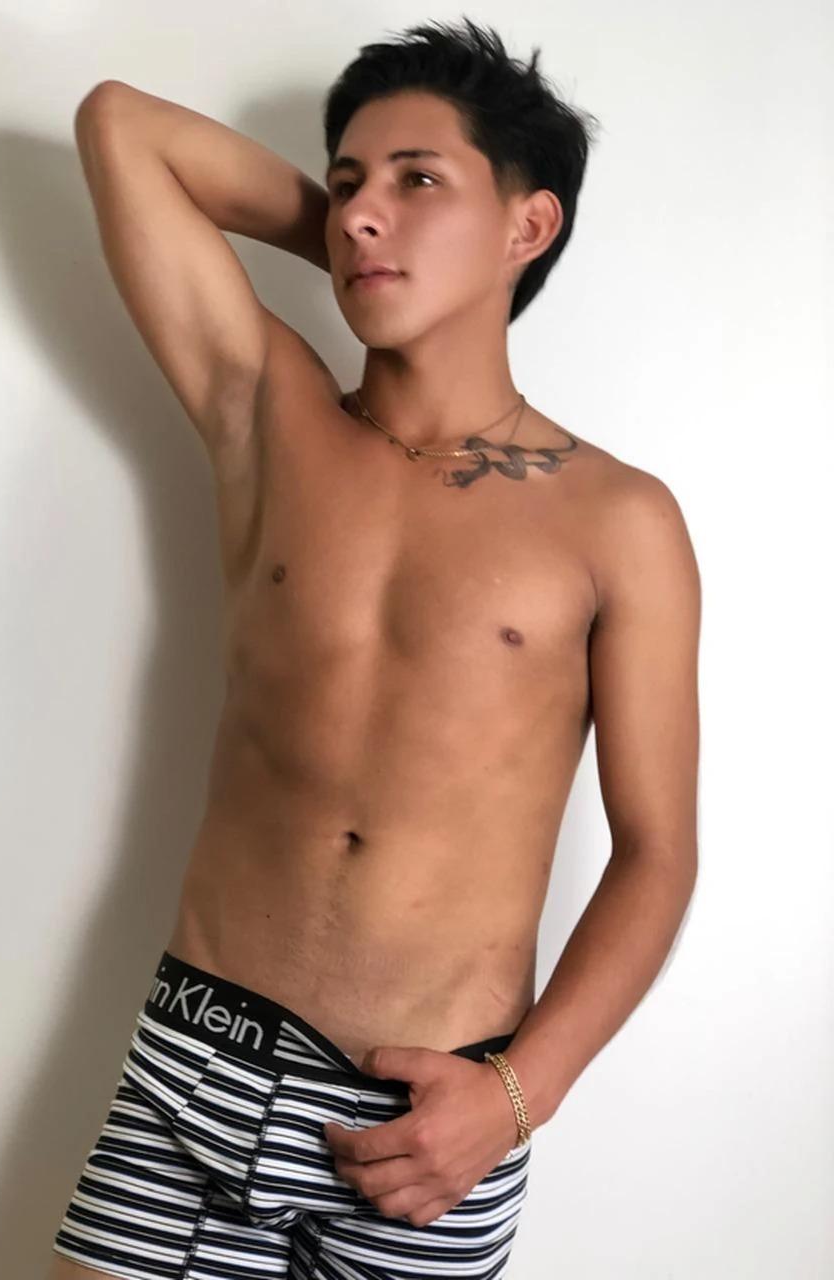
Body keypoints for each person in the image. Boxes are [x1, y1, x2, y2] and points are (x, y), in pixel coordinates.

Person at [49, 18, 700, 1280]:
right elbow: (119, 125)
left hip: (436, 1130)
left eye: (419, 178)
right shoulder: (269, 412)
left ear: (530, 223)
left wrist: (517, 1095)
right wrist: (371, 246)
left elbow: (657, 853)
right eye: (346, 180)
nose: (360, 210)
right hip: (199, 1072)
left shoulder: (620, 520)